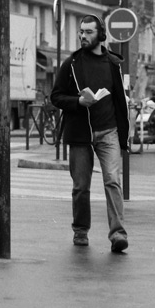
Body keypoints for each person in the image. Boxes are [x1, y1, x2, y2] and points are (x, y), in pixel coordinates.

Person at [50, 14, 130, 253]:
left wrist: (124, 136)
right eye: (81, 32)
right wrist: (78, 102)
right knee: (81, 186)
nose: (83, 36)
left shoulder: (112, 64)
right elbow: (56, 96)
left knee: (113, 181)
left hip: (109, 132)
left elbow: (120, 102)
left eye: (88, 32)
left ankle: (118, 234)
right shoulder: (72, 64)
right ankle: (80, 231)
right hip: (81, 133)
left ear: (101, 35)